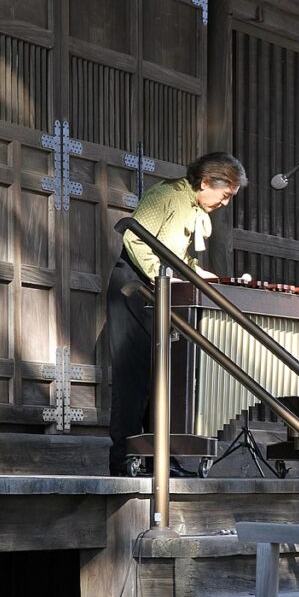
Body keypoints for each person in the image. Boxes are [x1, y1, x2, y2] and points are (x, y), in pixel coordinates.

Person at [108, 152, 247, 476]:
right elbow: (135, 238)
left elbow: (178, 258)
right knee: (134, 378)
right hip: (135, 285)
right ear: (206, 182)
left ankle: (160, 460)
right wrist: (162, 277)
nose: (226, 203)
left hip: (161, 290)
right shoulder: (166, 194)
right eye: (225, 194)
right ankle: (124, 460)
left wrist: (207, 277)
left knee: (162, 379)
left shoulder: (194, 206)